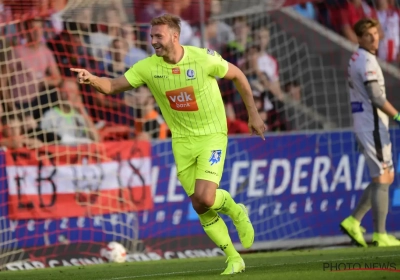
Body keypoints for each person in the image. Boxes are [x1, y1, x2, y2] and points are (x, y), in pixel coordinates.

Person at [71, 14, 266, 275]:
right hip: (181, 142)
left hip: (212, 135)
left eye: (158, 36)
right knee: (199, 204)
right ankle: (234, 258)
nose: (153, 42)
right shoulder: (148, 67)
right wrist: (91, 78)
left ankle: (236, 210)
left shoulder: (202, 58)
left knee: (206, 197)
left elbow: (238, 75)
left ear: (175, 36)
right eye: (151, 36)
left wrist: (253, 114)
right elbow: (113, 86)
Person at [340, 18, 400, 247]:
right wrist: (397, 116)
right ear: (360, 38)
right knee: (383, 177)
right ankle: (380, 234)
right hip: (372, 126)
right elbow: (376, 97)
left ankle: (354, 221)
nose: (374, 38)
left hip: (367, 124)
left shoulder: (360, 58)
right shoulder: (366, 62)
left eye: (376, 33)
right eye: (368, 35)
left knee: (383, 177)